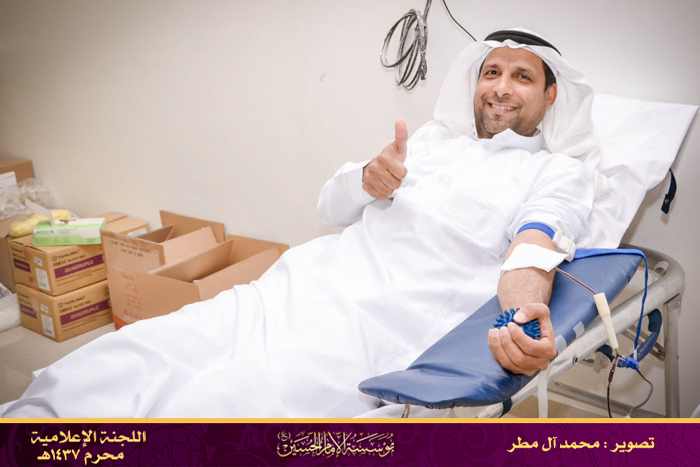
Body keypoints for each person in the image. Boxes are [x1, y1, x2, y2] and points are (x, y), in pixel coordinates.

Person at [1, 28, 599, 418]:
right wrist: (367, 178)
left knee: (211, 407)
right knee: (123, 359)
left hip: (375, 325)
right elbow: (330, 210)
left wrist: (522, 316)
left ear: (550, 97)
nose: (500, 88)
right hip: (293, 288)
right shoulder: (430, 142)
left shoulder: (557, 172)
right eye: (491, 72)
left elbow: (534, 249)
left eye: (522, 77)